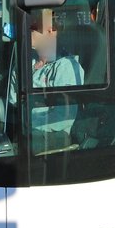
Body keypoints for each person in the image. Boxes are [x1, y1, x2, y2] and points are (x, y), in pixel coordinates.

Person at [29, 10, 84, 145]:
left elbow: (62, 117)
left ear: (50, 32)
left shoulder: (67, 67)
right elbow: (13, 98)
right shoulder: (29, 61)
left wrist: (28, 121)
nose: (28, 30)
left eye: (33, 27)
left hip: (51, 135)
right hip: (27, 124)